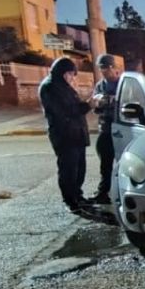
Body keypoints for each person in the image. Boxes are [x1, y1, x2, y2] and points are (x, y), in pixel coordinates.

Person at [38, 56, 92, 213]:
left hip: (77, 134)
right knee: (68, 169)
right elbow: (64, 112)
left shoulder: (65, 87)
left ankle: (78, 195)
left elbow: (74, 106)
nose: (71, 78)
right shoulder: (49, 88)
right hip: (65, 136)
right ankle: (70, 200)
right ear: (62, 73)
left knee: (79, 168)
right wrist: (88, 105)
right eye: (69, 74)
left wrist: (88, 103)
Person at [91, 53, 122, 205]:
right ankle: (103, 192)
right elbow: (95, 105)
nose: (104, 71)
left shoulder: (123, 83)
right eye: (102, 68)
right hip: (105, 127)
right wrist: (99, 102)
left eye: (106, 68)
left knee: (124, 163)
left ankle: (123, 192)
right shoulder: (100, 85)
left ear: (114, 68)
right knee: (105, 162)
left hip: (122, 127)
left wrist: (111, 100)